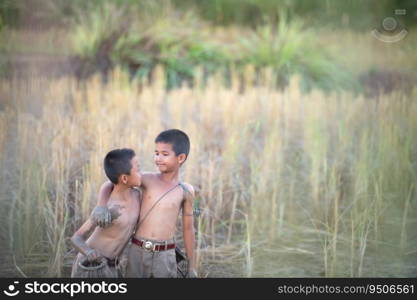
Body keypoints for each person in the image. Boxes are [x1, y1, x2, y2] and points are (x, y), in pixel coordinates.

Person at [94, 129, 197, 278]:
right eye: (156, 153)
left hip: (165, 254)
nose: (158, 158)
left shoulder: (186, 190)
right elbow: (112, 183)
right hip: (138, 251)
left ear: (180, 158)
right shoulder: (147, 179)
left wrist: (192, 266)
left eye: (165, 154)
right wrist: (101, 206)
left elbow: (188, 228)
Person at [70, 148, 141, 277]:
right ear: (124, 178)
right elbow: (76, 238)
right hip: (91, 267)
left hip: (113, 266)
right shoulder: (109, 207)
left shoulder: (137, 195)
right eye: (138, 169)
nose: (141, 173)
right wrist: (89, 252)